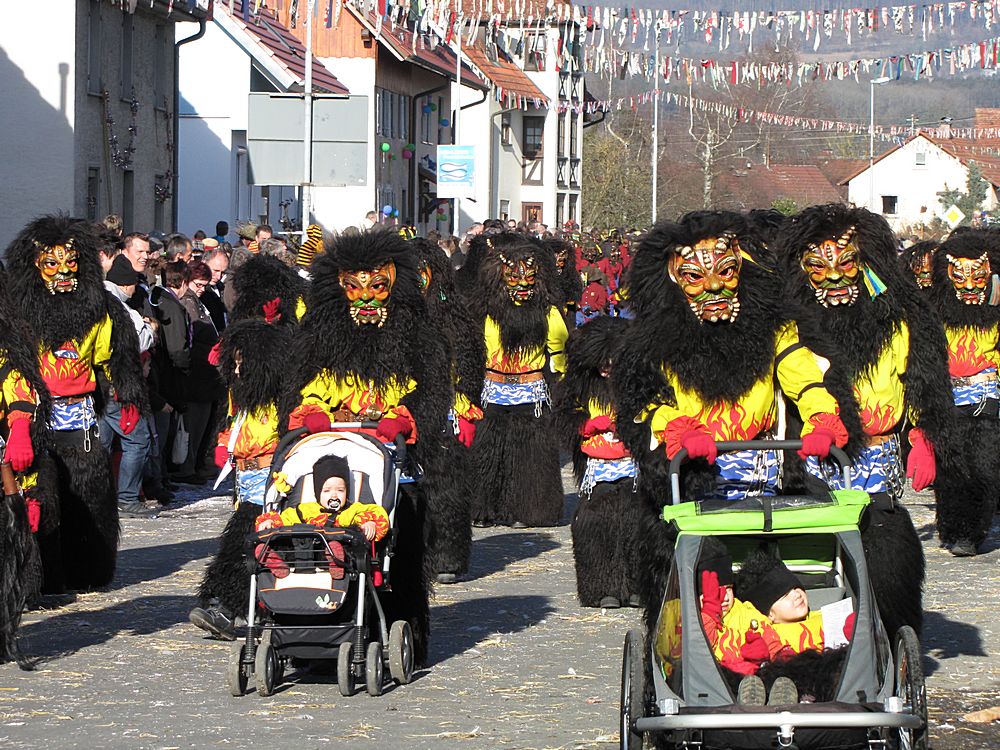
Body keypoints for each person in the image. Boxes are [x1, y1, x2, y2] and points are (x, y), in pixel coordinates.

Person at [773, 205, 953, 637]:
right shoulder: (788, 324)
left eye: (846, 263)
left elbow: (924, 378)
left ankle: (886, 635)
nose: (835, 276)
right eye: (819, 267)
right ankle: (819, 638)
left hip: (878, 451)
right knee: (815, 554)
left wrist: (925, 435)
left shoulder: (902, 317)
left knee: (883, 545)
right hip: (812, 455)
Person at [283, 228, 452, 667]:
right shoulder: (318, 336)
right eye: (353, 287)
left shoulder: (421, 337)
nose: (365, 298)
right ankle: (314, 629)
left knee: (403, 555)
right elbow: (304, 386)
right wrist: (311, 410)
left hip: (398, 462)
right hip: (333, 460)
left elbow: (431, 393)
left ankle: (402, 634)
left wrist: (407, 417)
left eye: (377, 287)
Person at [3, 216, 147, 593]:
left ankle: (86, 570)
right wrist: (17, 420)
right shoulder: (17, 314)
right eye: (52, 264)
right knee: (41, 499)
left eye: (71, 262)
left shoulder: (101, 310)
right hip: (33, 415)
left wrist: (128, 395)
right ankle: (41, 578)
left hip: (79, 416)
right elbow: (11, 367)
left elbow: (117, 356)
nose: (64, 272)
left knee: (88, 495)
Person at [460, 232, 569, 528]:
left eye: (529, 279)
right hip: (491, 390)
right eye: (514, 279)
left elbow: (559, 350)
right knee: (489, 451)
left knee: (530, 454)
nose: (522, 285)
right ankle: (484, 508)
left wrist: (560, 383)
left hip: (531, 391)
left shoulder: (548, 313)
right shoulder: (482, 312)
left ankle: (529, 510)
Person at [555, 316, 639, 608]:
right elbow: (563, 417)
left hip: (632, 464)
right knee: (596, 524)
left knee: (634, 519)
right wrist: (587, 425)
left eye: (612, 360)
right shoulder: (579, 387)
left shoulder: (636, 385)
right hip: (597, 466)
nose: (607, 367)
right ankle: (602, 587)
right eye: (601, 360)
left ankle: (636, 584)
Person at [926, 229, 1000, 557]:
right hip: (948, 400)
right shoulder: (935, 310)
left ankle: (973, 531)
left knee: (984, 467)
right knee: (951, 468)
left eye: (977, 276)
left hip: (987, 401)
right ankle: (953, 527)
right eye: (960, 276)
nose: (969, 285)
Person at [101, 255, 157, 518]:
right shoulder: (120, 308)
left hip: (100, 384)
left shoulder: (95, 301)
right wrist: (150, 329)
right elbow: (138, 342)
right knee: (137, 439)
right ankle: (126, 498)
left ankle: (100, 496)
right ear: (126, 284)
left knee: (101, 443)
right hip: (119, 383)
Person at [178, 261, 224, 481]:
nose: (202, 289)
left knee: (202, 424)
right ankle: (188, 467)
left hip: (206, 374)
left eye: (204, 285)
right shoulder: (188, 302)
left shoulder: (198, 300)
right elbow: (194, 336)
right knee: (193, 425)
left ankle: (195, 464)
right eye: (198, 284)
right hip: (198, 373)